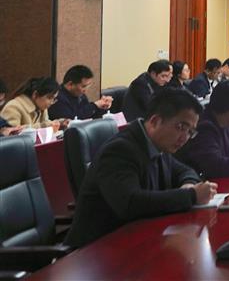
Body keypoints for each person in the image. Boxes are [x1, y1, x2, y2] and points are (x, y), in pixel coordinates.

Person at [64, 89, 217, 248]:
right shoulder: (121, 150)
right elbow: (130, 203)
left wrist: (189, 184)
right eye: (181, 127)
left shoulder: (159, 145)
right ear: (155, 121)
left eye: (190, 132)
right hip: (94, 252)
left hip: (134, 241)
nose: (185, 138)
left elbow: (185, 171)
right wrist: (191, 196)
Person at [1, 77, 68, 131]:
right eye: (49, 98)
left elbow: (46, 123)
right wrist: (43, 126)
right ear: (35, 94)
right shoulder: (13, 107)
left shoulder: (41, 107)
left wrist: (59, 123)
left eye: (54, 99)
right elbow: (12, 133)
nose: (51, 102)